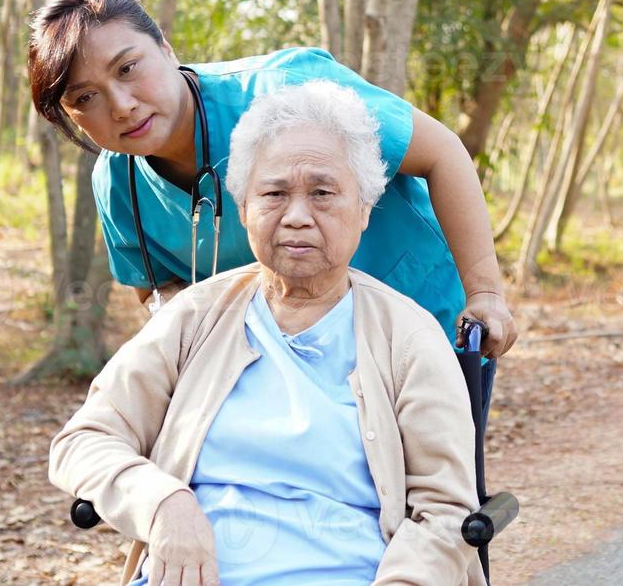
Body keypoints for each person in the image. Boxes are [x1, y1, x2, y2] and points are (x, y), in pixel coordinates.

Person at [51, 82, 484, 585]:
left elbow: (446, 511)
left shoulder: (408, 336)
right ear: (243, 208)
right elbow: (83, 440)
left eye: (323, 193)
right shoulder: (196, 316)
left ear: (364, 210)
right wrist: (163, 503)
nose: (297, 216)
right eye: (274, 193)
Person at [26, 0, 516, 364]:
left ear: (167, 49)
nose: (122, 105)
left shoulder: (286, 92)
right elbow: (160, 289)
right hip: (286, 367)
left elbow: (442, 153)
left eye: (128, 69)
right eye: (84, 98)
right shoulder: (118, 185)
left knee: (423, 485)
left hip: (419, 325)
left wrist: (486, 294)